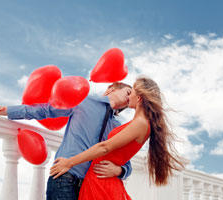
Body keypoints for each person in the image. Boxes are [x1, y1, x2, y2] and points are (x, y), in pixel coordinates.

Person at [0, 82, 133, 200]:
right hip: (65, 178)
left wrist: (120, 171)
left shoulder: (117, 127)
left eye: (130, 100)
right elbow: (45, 110)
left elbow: (126, 161)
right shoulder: (83, 101)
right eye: (128, 92)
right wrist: (6, 111)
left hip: (90, 189)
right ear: (111, 88)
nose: (128, 99)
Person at [50, 76, 185, 200]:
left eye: (131, 92)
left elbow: (105, 147)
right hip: (99, 178)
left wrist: (69, 162)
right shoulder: (137, 123)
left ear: (139, 98)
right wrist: (119, 170)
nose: (129, 96)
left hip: (101, 182)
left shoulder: (140, 123)